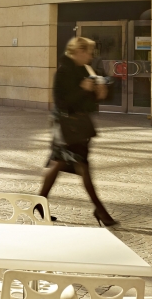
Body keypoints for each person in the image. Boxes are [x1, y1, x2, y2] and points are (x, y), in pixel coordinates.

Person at [38, 36, 116, 227]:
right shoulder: (64, 72)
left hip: (77, 126)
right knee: (82, 166)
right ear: (78, 52)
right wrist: (83, 89)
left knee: (58, 164)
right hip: (66, 126)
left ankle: (39, 203)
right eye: (88, 52)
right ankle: (100, 210)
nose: (90, 56)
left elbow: (88, 103)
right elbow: (62, 103)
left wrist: (100, 93)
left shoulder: (85, 70)